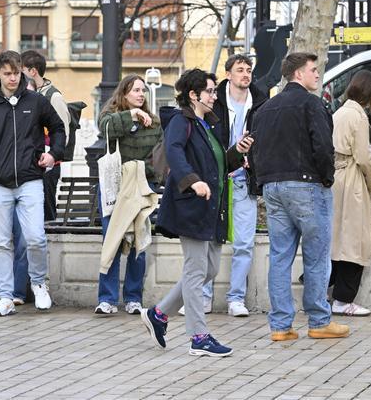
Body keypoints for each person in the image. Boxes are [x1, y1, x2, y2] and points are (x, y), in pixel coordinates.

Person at [140, 69, 253, 357]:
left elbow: (216, 167)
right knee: (195, 270)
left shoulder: (206, 126)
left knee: (210, 269)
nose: (215, 97)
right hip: (189, 207)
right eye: (211, 92)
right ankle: (199, 336)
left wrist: (236, 153)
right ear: (194, 95)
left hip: (209, 210)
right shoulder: (181, 120)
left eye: (215, 92)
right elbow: (174, 153)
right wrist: (193, 181)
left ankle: (159, 314)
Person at [250, 52, 349, 341]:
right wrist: (327, 178)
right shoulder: (312, 104)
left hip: (273, 188)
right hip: (307, 185)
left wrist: (262, 183)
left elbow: (255, 150)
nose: (317, 75)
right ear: (298, 74)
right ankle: (319, 321)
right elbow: (322, 146)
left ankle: (281, 327)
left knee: (280, 256)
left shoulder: (265, 108)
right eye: (313, 70)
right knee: (317, 256)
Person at [0, 50, 66, 317]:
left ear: (23, 71)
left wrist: (53, 154)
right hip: (0, 183)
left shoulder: (35, 102)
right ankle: (4, 296)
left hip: (30, 179)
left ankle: (38, 283)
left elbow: (58, 128)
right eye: (8, 73)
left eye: (17, 73)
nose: (13, 78)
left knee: (35, 237)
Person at [198, 54, 268, 317]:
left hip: (244, 181)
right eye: (240, 70)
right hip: (217, 180)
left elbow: (266, 138)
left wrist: (254, 160)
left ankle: (236, 298)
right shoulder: (214, 101)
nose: (246, 74)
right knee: (211, 241)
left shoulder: (260, 102)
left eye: (249, 70)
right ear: (228, 74)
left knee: (244, 243)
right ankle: (203, 297)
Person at [95, 75, 162, 316]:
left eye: (143, 90)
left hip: (141, 186)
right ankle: (106, 298)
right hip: (114, 185)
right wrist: (131, 115)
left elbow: (160, 156)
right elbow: (105, 129)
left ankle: (133, 297)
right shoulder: (111, 115)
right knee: (111, 240)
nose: (141, 94)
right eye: (135, 90)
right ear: (124, 93)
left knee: (138, 243)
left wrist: (144, 173)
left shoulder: (153, 123)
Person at [330, 71, 371, 317]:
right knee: (356, 241)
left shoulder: (340, 112)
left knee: (338, 240)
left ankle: (328, 290)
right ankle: (343, 299)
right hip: (353, 180)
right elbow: (364, 157)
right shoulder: (359, 116)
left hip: (336, 179)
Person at [21, 50, 71, 221]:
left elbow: (63, 132)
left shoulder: (53, 96)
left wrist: (52, 154)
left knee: (46, 209)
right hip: (30, 162)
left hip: (49, 164)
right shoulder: (24, 95)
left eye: (20, 70)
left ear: (32, 71)